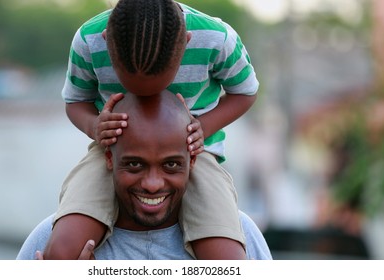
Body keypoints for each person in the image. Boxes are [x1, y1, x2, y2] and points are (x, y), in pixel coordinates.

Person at [45, 0, 259, 260]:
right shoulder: (89, 40)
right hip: (115, 151)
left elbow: (245, 91)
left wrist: (202, 127)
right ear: (106, 42)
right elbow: (76, 101)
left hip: (193, 152)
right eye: (133, 87)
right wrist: (94, 125)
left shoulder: (216, 38)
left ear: (187, 42)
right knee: (61, 252)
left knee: (227, 260)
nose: (147, 101)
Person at [17, 92, 271, 260]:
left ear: (192, 160)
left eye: (171, 165)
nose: (152, 184)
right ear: (108, 159)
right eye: (135, 165)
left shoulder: (240, 235)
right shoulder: (51, 242)